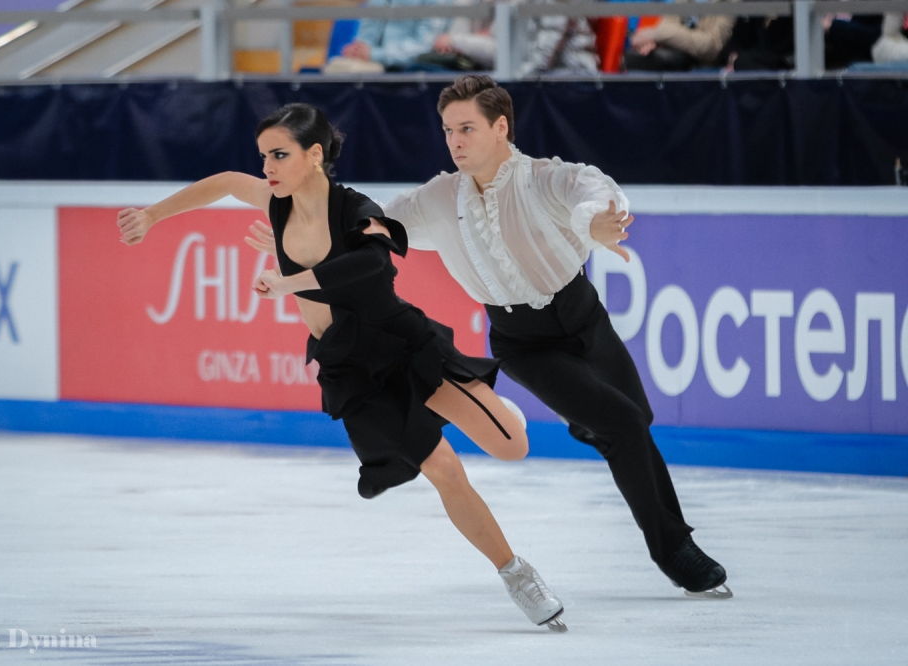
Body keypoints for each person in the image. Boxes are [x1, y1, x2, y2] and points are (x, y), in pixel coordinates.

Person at [248, 77, 731, 598]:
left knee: (636, 421)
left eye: (467, 129)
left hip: (584, 317)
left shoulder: (543, 178)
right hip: (524, 343)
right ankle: (674, 550)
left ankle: (591, 426)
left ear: (501, 127)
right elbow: (376, 223)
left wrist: (596, 225)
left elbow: (592, 193)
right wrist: (297, 242)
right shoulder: (438, 197)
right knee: (626, 423)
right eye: (448, 130)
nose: (455, 141)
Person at [116, 103, 568, 631]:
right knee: (444, 469)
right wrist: (151, 216)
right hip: (349, 365)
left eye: (280, 155)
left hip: (400, 343)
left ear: (314, 155)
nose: (268, 168)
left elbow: (370, 265)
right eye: (264, 156)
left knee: (513, 446)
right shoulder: (274, 204)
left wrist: (288, 281)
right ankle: (516, 574)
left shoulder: (357, 208)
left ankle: (479, 404)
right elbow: (222, 182)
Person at [625, 0, 735, 72]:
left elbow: (710, 47)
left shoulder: (730, 2)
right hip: (671, 51)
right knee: (632, 55)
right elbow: (667, 23)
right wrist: (654, 42)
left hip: (700, 63)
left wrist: (658, 34)